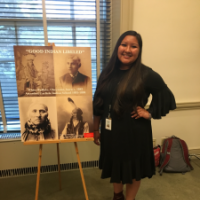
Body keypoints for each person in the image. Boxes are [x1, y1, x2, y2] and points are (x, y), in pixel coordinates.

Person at [93, 30, 176, 200]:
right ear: (118, 47)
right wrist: (95, 129)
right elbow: (99, 102)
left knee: (132, 169)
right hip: (111, 131)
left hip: (135, 132)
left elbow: (166, 95)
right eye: (124, 44)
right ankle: (118, 196)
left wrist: (149, 112)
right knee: (116, 164)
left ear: (139, 50)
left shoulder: (146, 74)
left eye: (134, 46)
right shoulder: (107, 73)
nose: (128, 49)